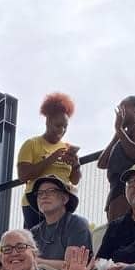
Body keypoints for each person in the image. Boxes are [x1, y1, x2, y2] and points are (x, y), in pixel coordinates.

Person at [17, 93, 81, 229]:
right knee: (36, 244)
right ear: (47, 121)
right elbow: (23, 176)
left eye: (65, 126)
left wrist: (76, 166)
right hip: (35, 205)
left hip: (61, 205)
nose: (62, 130)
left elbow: (74, 180)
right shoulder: (32, 144)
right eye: (58, 125)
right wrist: (52, 158)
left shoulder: (66, 147)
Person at [97, 96, 135, 222]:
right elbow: (101, 163)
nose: (119, 111)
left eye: (123, 106)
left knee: (124, 231)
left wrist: (119, 130)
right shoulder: (123, 135)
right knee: (116, 231)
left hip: (131, 185)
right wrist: (118, 133)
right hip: (116, 188)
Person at [27, 175, 93, 270]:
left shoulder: (76, 223)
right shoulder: (34, 232)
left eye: (51, 191)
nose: (44, 196)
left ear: (65, 199)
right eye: (40, 193)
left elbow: (73, 267)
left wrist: (37, 262)